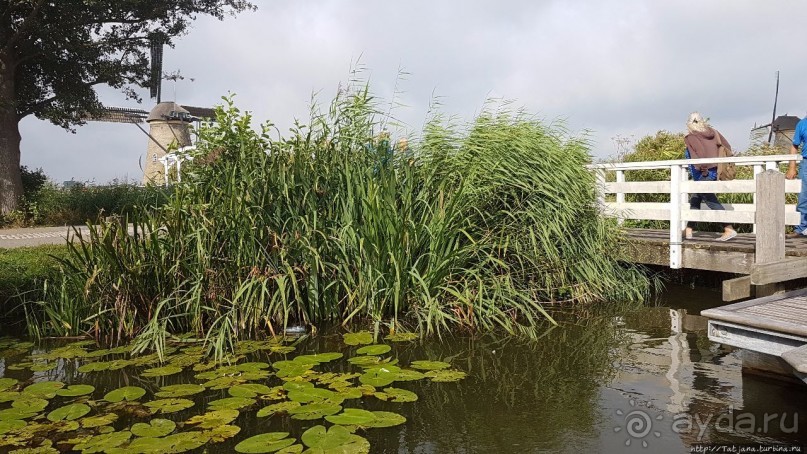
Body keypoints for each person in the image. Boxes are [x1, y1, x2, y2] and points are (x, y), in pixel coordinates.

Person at [683, 112, 737, 241]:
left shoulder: (691, 136)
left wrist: (703, 168)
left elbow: (700, 152)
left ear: (689, 124)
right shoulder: (714, 132)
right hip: (714, 170)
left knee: (709, 199)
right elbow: (727, 146)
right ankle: (689, 229)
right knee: (695, 199)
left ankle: (728, 228)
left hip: (704, 172)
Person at [786, 115, 807, 236]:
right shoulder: (802, 124)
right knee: (803, 196)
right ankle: (800, 228)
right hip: (806, 163)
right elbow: (794, 146)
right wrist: (792, 167)